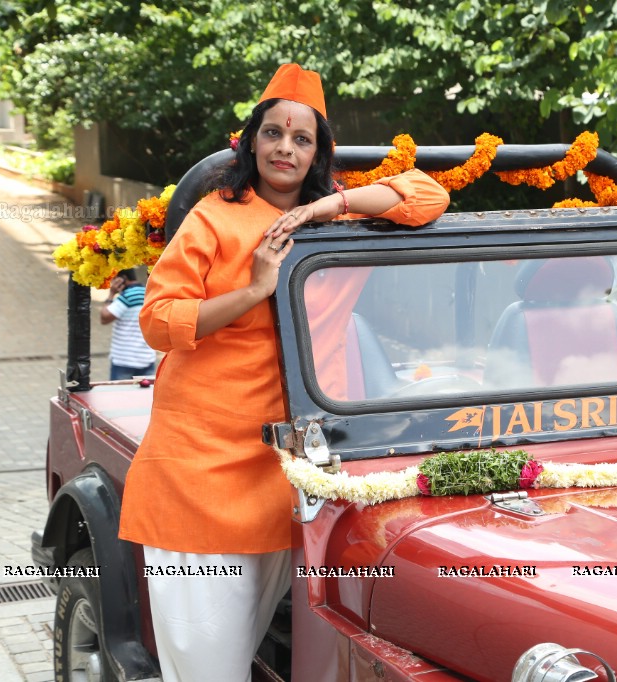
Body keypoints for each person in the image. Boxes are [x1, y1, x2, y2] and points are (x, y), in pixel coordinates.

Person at [117, 63, 449, 681]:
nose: (285, 149)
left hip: (292, 476)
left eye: (303, 139)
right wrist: (253, 289)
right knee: (208, 673)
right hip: (201, 478)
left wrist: (327, 209)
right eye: (274, 133)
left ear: (321, 152)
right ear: (250, 142)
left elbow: (429, 196)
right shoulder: (214, 217)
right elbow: (158, 323)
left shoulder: (336, 223)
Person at [100, 267, 157, 379]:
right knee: (145, 396)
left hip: (124, 360)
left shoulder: (128, 296)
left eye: (114, 279)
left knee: (120, 395)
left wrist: (111, 294)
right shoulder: (149, 294)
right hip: (147, 358)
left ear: (122, 279)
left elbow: (104, 317)